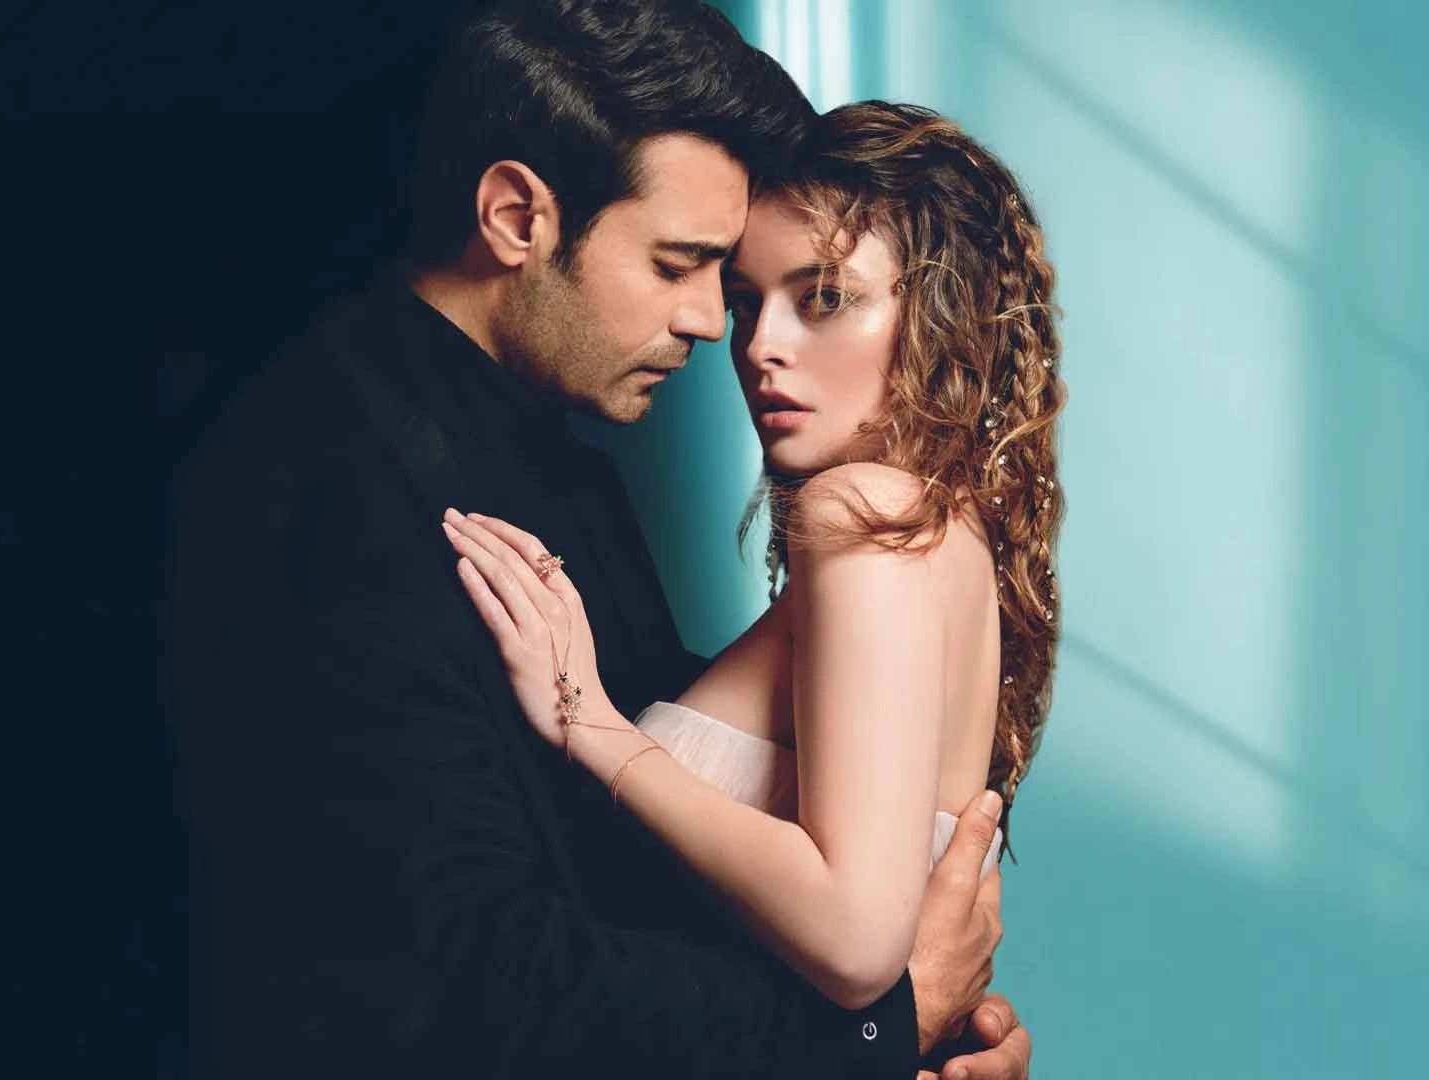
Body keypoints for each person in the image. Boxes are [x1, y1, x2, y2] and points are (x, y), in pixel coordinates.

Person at [165, 3, 1033, 1075]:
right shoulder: (327, 481)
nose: (717, 326)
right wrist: (880, 1033)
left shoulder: (576, 469)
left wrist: (920, 1038)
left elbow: (699, 840)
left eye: (809, 294)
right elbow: (473, 982)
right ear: (517, 217)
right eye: (681, 265)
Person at [443, 96, 1062, 1058]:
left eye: (823, 297)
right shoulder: (946, 532)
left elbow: (857, 940)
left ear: (942, 314)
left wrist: (591, 725)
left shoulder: (863, 514)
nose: (760, 345)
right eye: (746, 302)